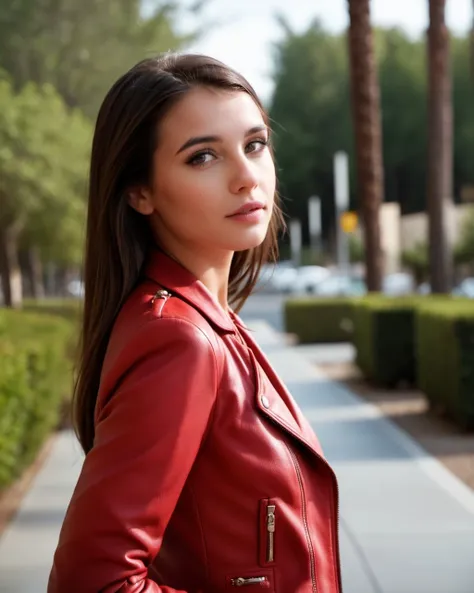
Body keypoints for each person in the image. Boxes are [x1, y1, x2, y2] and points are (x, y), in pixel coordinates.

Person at [48, 53, 342, 593]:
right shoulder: (178, 340)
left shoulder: (208, 323)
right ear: (140, 192)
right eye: (203, 156)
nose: (246, 177)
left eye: (254, 145)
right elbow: (95, 581)